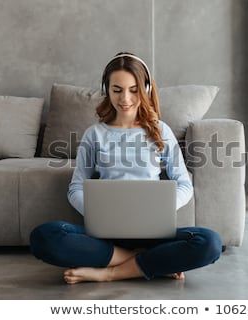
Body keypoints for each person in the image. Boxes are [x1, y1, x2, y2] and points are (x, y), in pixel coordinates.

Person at [30, 52, 222, 284]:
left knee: (209, 243)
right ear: (107, 90)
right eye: (117, 89)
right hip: (105, 237)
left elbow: (184, 183)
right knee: (45, 237)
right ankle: (147, 262)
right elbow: (76, 187)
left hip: (153, 233)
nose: (125, 98)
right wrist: (97, 211)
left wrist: (161, 209)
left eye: (133, 89)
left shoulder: (161, 131)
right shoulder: (95, 134)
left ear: (146, 89)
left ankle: (112, 272)